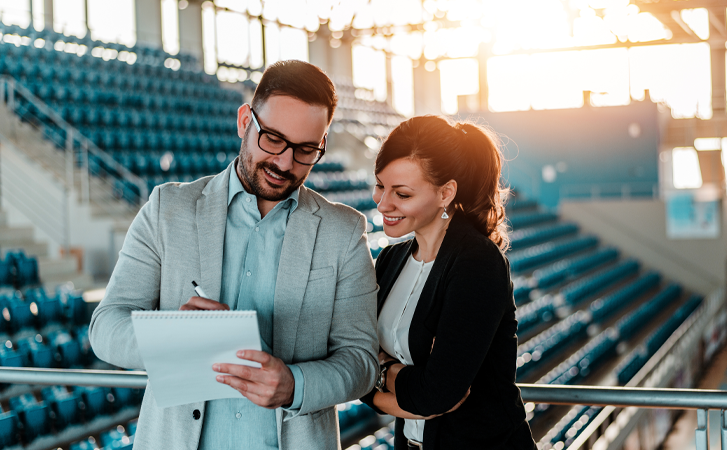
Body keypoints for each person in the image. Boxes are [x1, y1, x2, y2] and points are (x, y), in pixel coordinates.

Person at [89, 60, 379, 450]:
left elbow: (361, 361)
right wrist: (171, 335)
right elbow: (105, 327)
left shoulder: (343, 231)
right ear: (245, 121)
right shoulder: (167, 209)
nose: (285, 163)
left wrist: (295, 385)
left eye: (307, 149)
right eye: (273, 139)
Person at [360, 115, 536, 449]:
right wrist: (395, 383)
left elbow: (436, 394)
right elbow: (355, 363)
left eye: (402, 193)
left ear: (445, 193)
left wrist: (380, 371)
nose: (383, 204)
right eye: (380, 186)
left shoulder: (477, 263)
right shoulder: (390, 260)